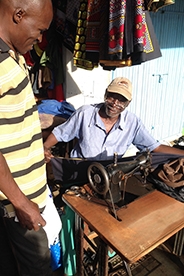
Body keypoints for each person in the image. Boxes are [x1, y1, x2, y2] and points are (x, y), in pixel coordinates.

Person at [0, 1, 62, 275]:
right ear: (18, 15)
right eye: (39, 30)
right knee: (37, 268)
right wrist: (21, 202)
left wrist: (36, 150)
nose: (40, 38)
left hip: (25, 197)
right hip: (17, 205)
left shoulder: (12, 54)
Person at [44, 77, 184, 161]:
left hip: (107, 173)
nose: (115, 103)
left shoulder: (132, 123)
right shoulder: (85, 113)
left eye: (122, 100)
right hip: (79, 167)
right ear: (105, 95)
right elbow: (59, 133)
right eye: (112, 96)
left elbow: (155, 147)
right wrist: (45, 148)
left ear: (128, 103)